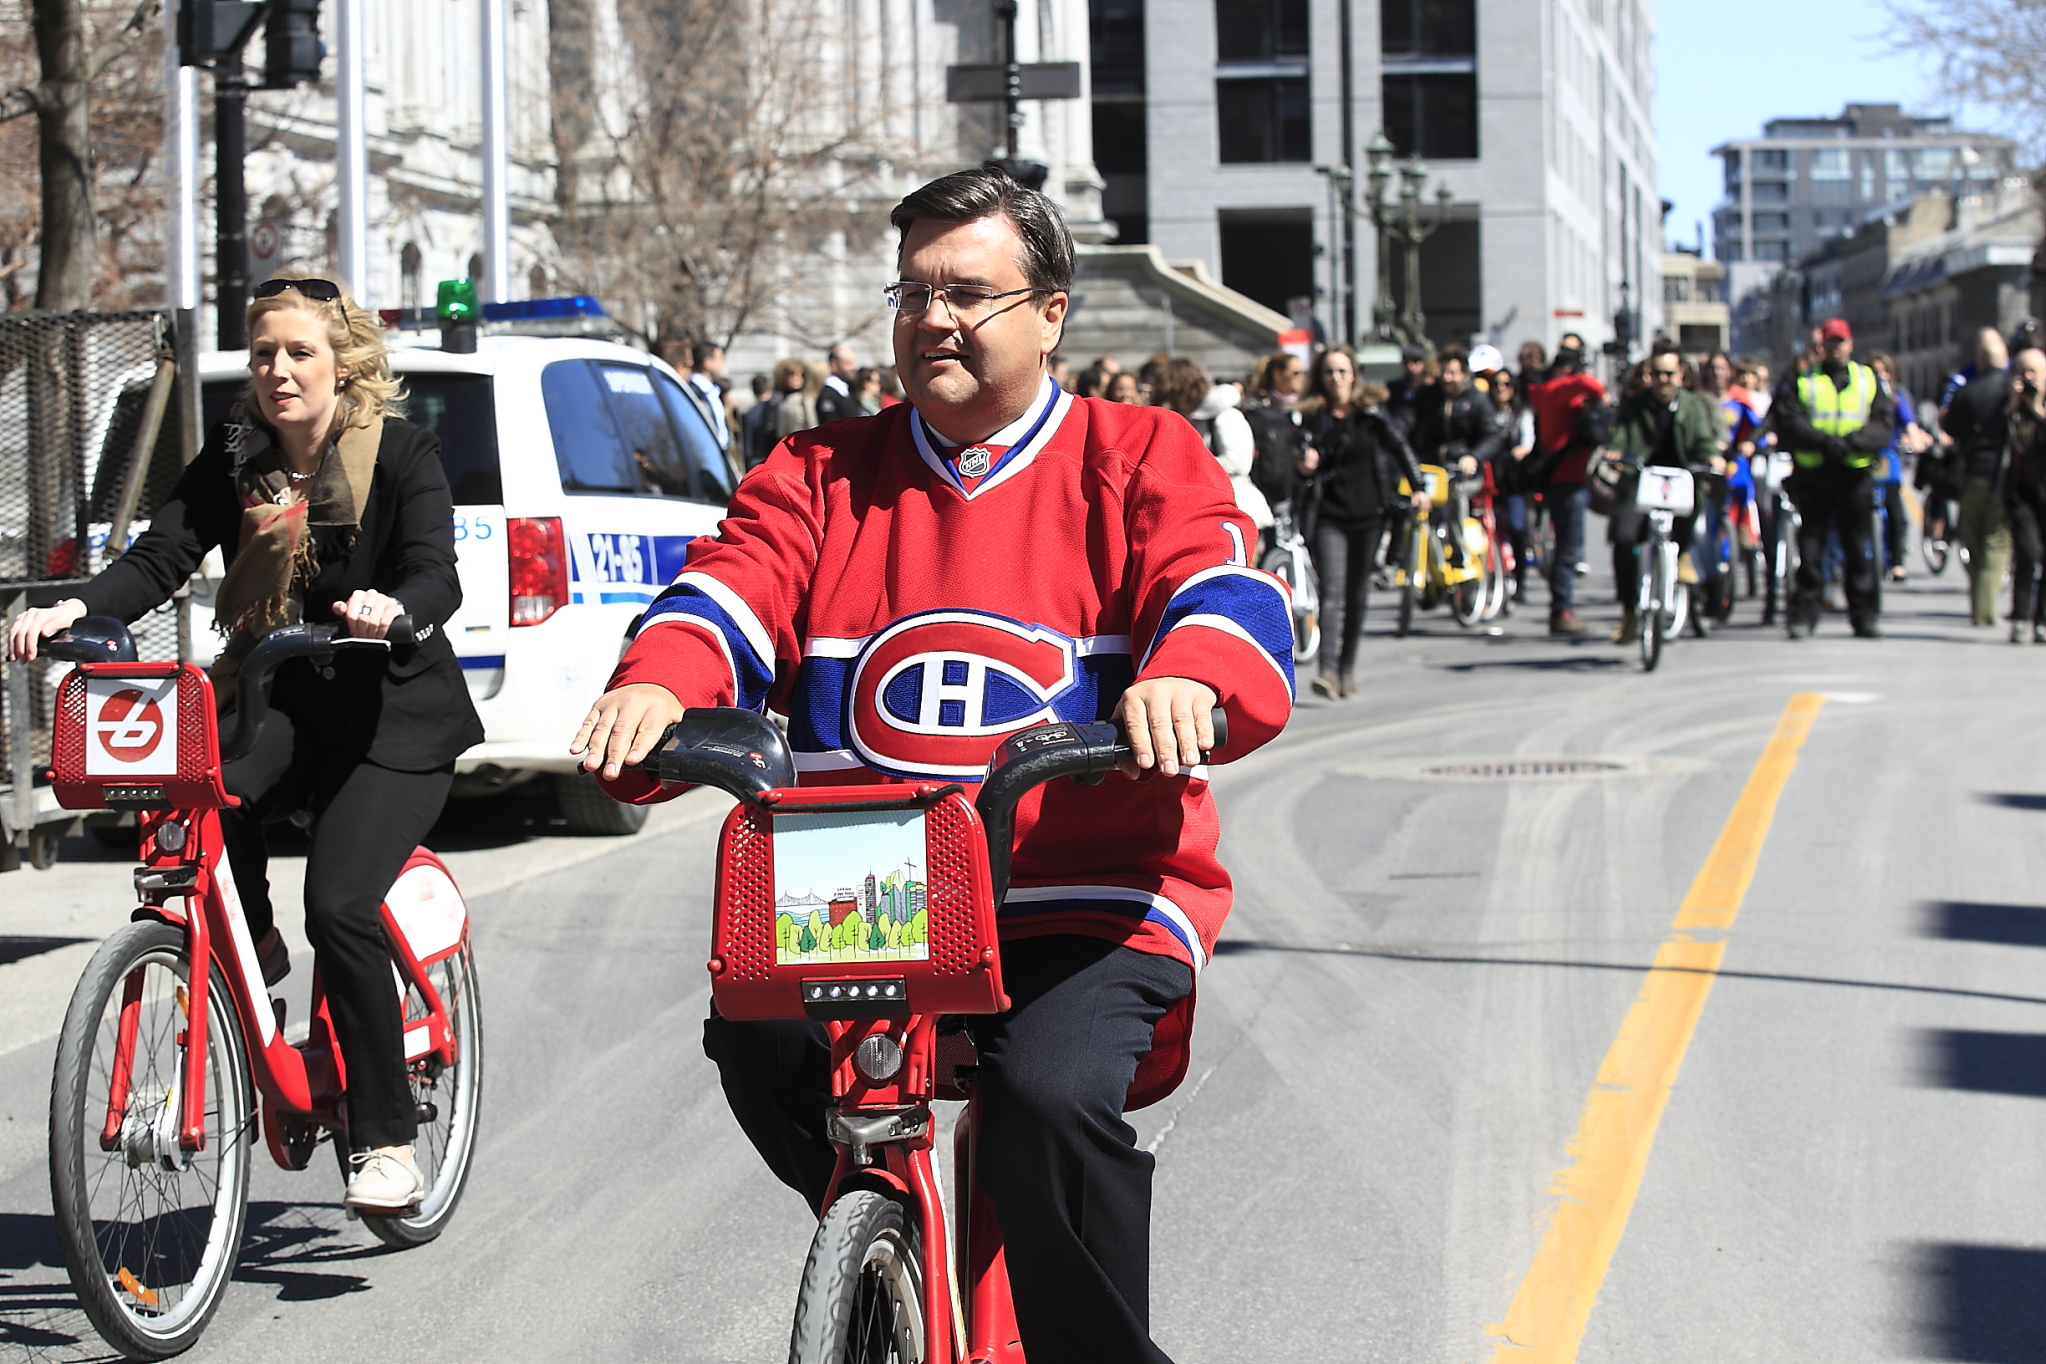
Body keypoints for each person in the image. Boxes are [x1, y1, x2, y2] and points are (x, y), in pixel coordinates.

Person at [568, 166, 1292, 1364]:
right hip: (868, 884)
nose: (932, 318)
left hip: (1083, 887)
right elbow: (728, 590)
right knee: (756, 1042)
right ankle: (883, 1251)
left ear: (1050, 313)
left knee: (1047, 1099)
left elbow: (1214, 582)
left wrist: (1189, 674)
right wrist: (660, 682)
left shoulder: (1138, 452)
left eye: (967, 293)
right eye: (913, 293)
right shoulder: (817, 471)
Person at [6, 276, 483, 1212]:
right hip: (283, 696)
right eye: (265, 354)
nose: (278, 371)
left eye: (300, 352)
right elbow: (162, 554)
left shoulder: (400, 452)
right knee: (203, 795)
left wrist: (394, 607)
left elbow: (437, 573)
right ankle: (253, 943)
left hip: (393, 717)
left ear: (342, 363)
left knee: (339, 904)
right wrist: (76, 607)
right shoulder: (237, 453)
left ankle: (386, 1138)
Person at [1296, 346, 1427, 698]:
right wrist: (1304, 465)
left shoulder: (1372, 413)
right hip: (1329, 516)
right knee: (1332, 592)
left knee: (1357, 595)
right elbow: (1301, 459)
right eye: (1329, 372)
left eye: (1342, 371)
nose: (1336, 378)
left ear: (1354, 375)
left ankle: (1346, 669)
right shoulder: (1313, 417)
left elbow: (1400, 447)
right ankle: (1326, 670)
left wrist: (1418, 486)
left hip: (1369, 516)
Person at [1771, 316, 1893, 638]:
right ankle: (1803, 616)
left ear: (1850, 344)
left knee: (1857, 549)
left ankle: (1863, 616)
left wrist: (1851, 443)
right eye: (1829, 342)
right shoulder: (1803, 380)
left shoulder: (1868, 379)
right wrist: (1824, 442)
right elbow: (1789, 422)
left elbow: (1883, 424)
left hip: (1854, 474)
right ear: (1821, 346)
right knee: (1811, 549)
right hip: (1815, 473)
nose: (1835, 348)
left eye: (1840, 342)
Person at [1604, 348, 1721, 644]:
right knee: (1623, 536)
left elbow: (1704, 440)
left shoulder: (1692, 405)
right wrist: (1615, 453)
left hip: (1681, 480)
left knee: (1689, 514)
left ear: (1680, 375)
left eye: (1669, 374)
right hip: (1640, 480)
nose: (1663, 380)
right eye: (1657, 374)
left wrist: (1711, 458)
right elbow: (1619, 437)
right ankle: (1629, 610)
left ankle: (1682, 555)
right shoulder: (1634, 406)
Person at [1527, 343, 1607, 636]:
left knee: (1568, 546)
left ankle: (1562, 608)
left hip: (1569, 478)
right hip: (1565, 478)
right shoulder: (1556, 391)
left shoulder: (1553, 393)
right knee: (1567, 548)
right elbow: (1592, 386)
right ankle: (1561, 610)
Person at [1152, 356, 1273, 535]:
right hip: (1207, 514)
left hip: (1236, 513)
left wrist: (1187, 465)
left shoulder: (1225, 416)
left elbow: (1238, 463)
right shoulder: (1192, 419)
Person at [1945, 329, 2014, 626]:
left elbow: (1949, 426)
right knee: (1996, 540)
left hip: (1971, 473)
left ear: (1981, 360)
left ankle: (1980, 603)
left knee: (1972, 539)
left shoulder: (1967, 391)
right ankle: (1984, 608)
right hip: (2002, 473)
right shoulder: (2011, 392)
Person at [1866, 352, 1930, 582]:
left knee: (1895, 510)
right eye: (1875, 372)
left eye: (1884, 371)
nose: (1880, 376)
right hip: (1863, 455)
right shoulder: (1860, 394)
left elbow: (1908, 420)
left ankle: (1897, 562)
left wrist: (1916, 438)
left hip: (1887, 457)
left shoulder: (1896, 397)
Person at [1242, 351, 1309, 550]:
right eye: (1295, 373)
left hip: (1299, 493)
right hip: (1267, 490)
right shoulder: (1257, 411)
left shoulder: (1305, 409)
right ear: (1278, 375)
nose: (1301, 378)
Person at [2004, 346, 2046, 642]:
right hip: (2020, 494)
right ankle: (2020, 616)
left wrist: (2038, 408)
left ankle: (2042, 620)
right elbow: (1990, 435)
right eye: (2023, 372)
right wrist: (2011, 405)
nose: (2028, 379)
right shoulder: (2009, 407)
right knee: (2028, 552)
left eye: (2034, 372)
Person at [1382, 344, 1431, 435]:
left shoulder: (1429, 389)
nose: (1410, 366)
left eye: (1415, 361)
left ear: (1423, 364)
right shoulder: (1393, 387)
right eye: (1406, 362)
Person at [774, 357, 823, 439]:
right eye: (791, 374)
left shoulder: (811, 398)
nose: (797, 378)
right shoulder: (777, 401)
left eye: (801, 374)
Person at [815, 342, 863, 423]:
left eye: (853, 362)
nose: (853, 367)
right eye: (847, 363)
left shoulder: (849, 388)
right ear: (834, 364)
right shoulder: (829, 394)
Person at [740, 374, 779, 469]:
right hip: (777, 458)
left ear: (753, 390)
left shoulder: (749, 414)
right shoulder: (779, 408)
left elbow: (747, 447)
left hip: (757, 461)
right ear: (769, 387)